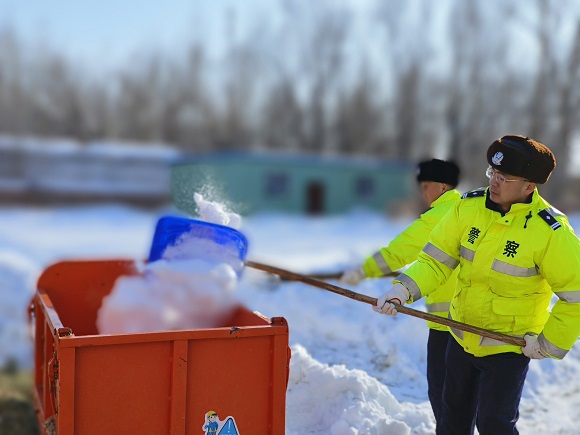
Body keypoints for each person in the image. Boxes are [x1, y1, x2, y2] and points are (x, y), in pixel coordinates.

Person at [373, 135, 580, 435]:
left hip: (507, 348)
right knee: (451, 422)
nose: (494, 183)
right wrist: (403, 290)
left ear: (529, 186)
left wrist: (547, 344)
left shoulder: (551, 232)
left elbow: (576, 297)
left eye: (504, 178)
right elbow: (435, 261)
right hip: (460, 336)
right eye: (492, 174)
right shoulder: (467, 208)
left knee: (494, 425)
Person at [340, 157, 462, 425]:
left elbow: (398, 253)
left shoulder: (439, 217)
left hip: (448, 326)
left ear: (442, 186)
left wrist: (363, 270)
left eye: (426, 185)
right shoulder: (467, 210)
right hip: (471, 322)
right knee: (466, 400)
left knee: (444, 396)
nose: (422, 192)